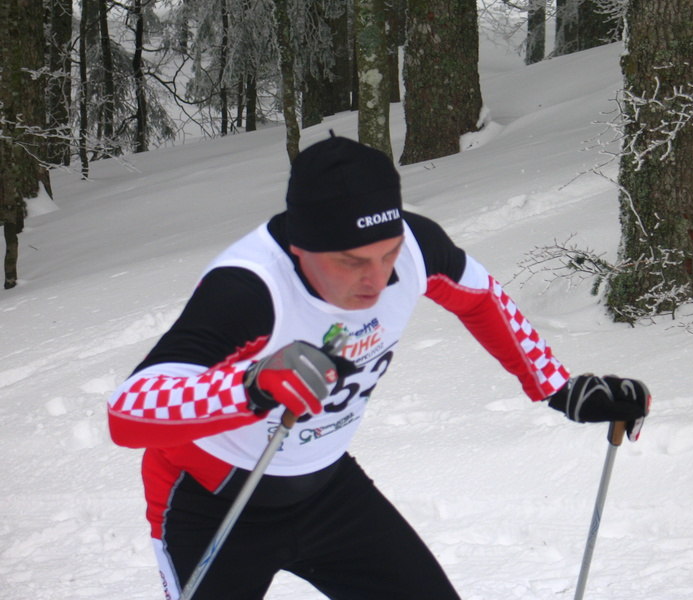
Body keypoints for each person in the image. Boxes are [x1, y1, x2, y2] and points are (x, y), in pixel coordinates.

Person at [107, 134, 650, 600]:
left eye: (387, 253)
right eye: (352, 262)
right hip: (212, 502)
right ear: (300, 247)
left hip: (326, 491)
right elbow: (128, 411)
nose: (378, 278)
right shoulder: (249, 288)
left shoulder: (414, 248)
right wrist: (249, 387)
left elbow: (482, 297)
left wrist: (558, 387)